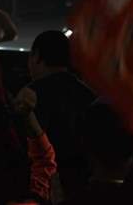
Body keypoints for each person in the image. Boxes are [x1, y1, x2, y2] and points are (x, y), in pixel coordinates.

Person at [27, 30, 95, 197]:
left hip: (44, 186)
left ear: (37, 56)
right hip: (82, 184)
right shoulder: (88, 95)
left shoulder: (29, 97)